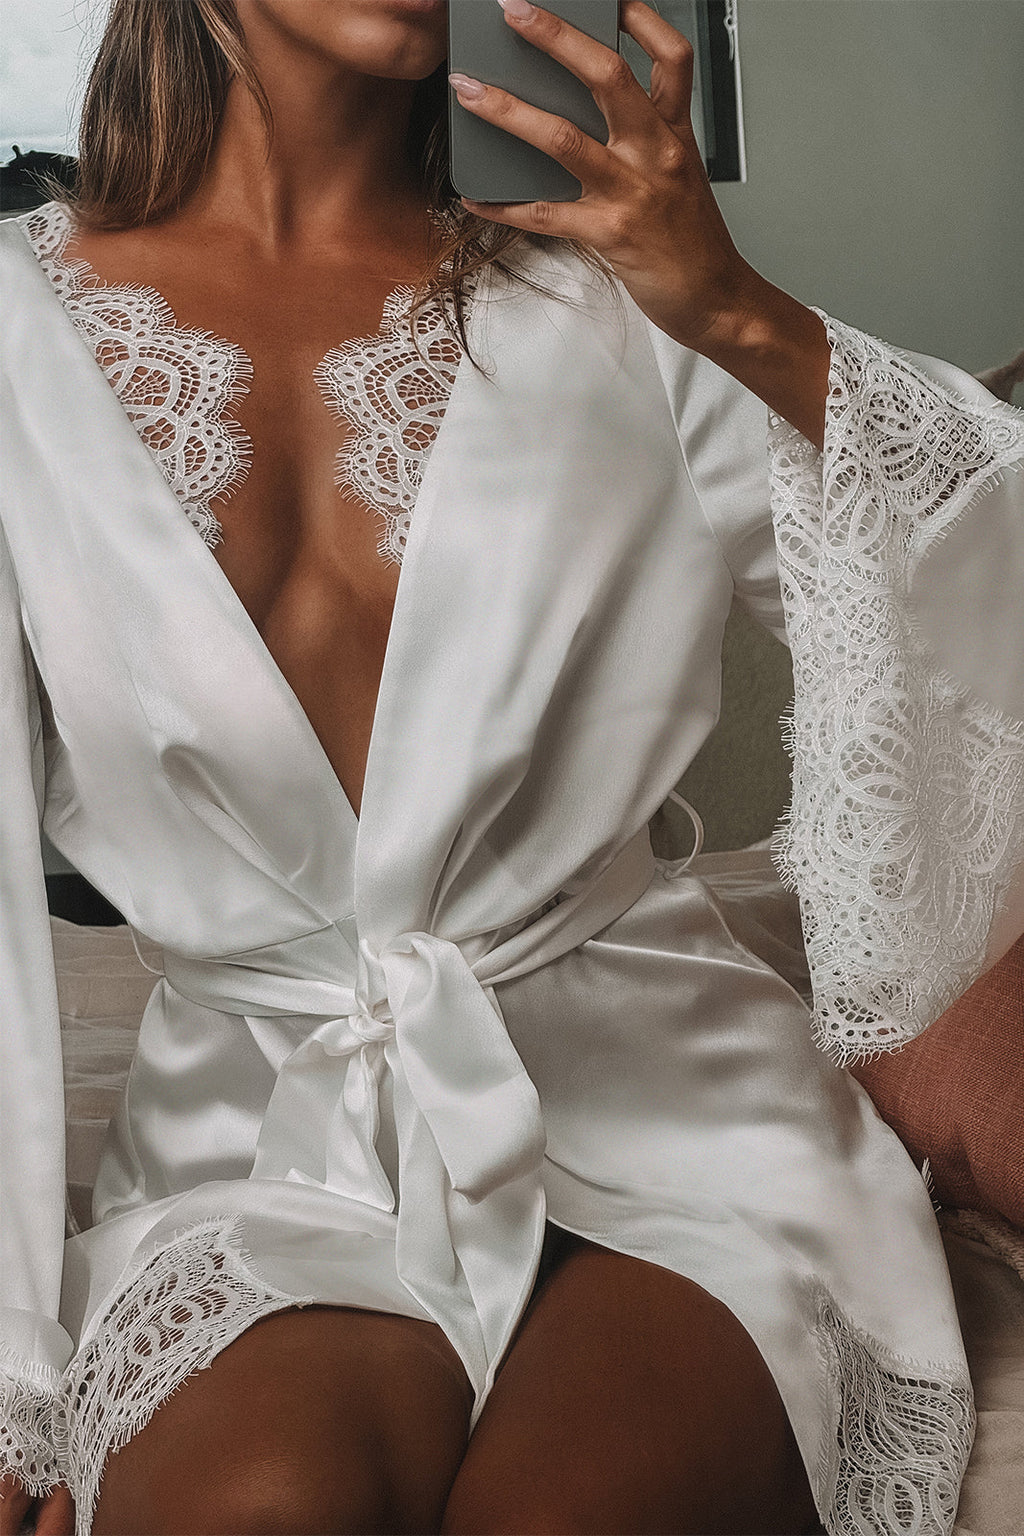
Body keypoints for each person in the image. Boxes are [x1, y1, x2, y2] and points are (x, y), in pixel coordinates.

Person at [1, 2, 1022, 1534]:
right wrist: (14, 1362)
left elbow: (986, 592)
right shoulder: (19, 338)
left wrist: (734, 307)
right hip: (258, 1138)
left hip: (676, 1109)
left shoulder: (630, 300)